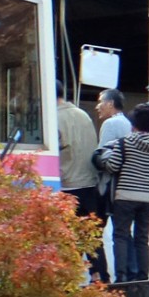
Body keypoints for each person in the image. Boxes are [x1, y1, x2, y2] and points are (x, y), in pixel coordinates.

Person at [97, 103, 149, 282]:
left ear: (133, 124)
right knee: (142, 238)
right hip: (148, 198)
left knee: (121, 235)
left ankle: (122, 276)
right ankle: (143, 276)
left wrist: (102, 161)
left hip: (125, 196)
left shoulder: (124, 142)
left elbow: (113, 166)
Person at [89, 89, 129, 279]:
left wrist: (95, 160)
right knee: (124, 233)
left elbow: (102, 155)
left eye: (100, 102)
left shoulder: (111, 124)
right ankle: (126, 273)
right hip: (124, 185)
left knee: (93, 232)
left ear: (111, 104)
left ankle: (100, 276)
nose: (98, 106)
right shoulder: (128, 123)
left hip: (107, 187)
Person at [56, 85, 99, 226]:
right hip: (90, 184)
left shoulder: (53, 118)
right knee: (91, 239)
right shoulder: (83, 114)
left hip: (67, 184)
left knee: (67, 239)